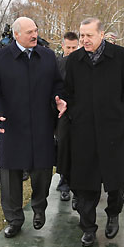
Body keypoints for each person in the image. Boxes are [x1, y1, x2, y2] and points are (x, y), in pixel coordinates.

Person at [55, 16, 124, 247]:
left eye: (89, 35)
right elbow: (67, 91)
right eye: (82, 35)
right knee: (84, 184)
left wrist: (121, 112)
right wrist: (68, 108)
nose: (84, 39)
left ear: (101, 34)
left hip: (113, 130)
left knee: (116, 183)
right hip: (83, 132)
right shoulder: (74, 60)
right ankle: (88, 227)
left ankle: (113, 215)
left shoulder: (120, 56)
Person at [0, 15, 61, 237]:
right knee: (10, 175)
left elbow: (58, 84)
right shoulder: (0, 58)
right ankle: (14, 219)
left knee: (42, 172)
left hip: (42, 125)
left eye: (35, 30)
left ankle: (39, 208)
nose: (34, 35)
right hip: (12, 126)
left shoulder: (47, 56)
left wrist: (59, 98)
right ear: (16, 35)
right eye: (29, 32)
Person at [56, 30, 79, 198]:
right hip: (62, 111)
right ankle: (64, 181)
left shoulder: (83, 64)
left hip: (80, 112)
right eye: (68, 47)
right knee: (63, 145)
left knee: (79, 148)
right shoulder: (57, 64)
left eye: (74, 47)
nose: (71, 51)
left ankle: (77, 185)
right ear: (63, 46)